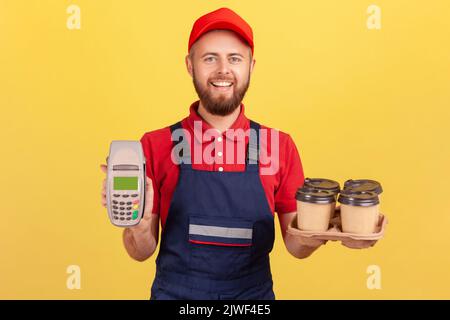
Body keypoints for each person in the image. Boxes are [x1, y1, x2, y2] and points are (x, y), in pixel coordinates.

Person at [100, 7, 375, 300]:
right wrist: (139, 229)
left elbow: (296, 247)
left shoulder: (279, 146)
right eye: (209, 58)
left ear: (251, 67)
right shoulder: (154, 145)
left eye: (234, 58)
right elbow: (140, 252)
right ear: (190, 65)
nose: (223, 70)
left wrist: (322, 233)